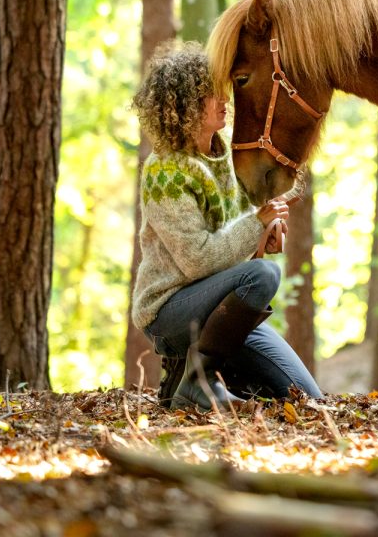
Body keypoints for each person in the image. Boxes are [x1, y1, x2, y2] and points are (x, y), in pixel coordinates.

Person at [130, 42, 323, 410]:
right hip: (170, 310)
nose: (223, 98)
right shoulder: (165, 171)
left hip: (221, 315)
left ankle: (190, 382)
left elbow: (236, 247)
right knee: (263, 276)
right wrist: (255, 225)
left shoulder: (230, 158)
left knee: (306, 399)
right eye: (209, 93)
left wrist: (266, 233)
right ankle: (195, 381)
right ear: (183, 105)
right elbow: (199, 262)